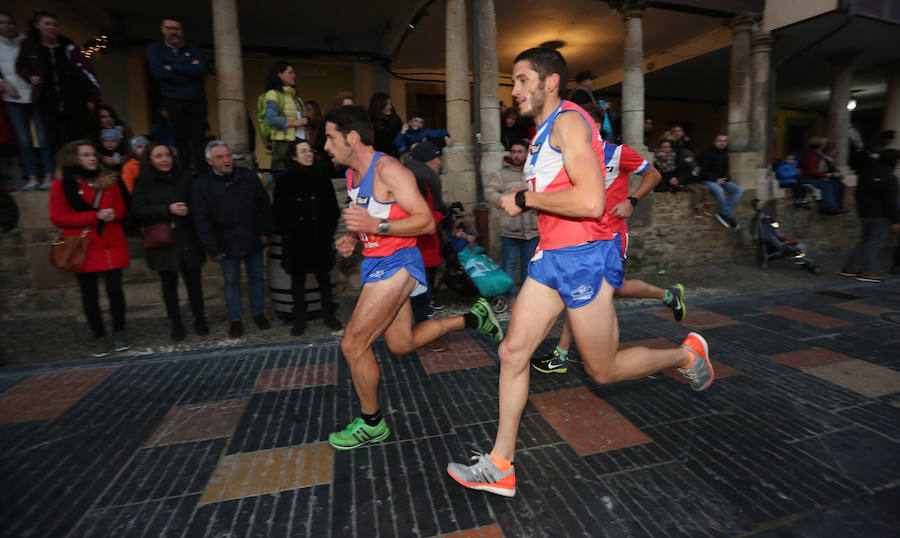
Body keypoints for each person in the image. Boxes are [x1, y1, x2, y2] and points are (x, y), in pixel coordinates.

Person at [446, 48, 712, 497]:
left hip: (583, 257)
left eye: (522, 80)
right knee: (513, 353)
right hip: (551, 256)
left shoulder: (569, 121)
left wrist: (526, 200)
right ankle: (500, 464)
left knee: (603, 371)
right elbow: (561, 190)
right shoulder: (543, 131)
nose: (515, 92)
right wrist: (524, 193)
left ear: (550, 82)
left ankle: (686, 356)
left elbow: (590, 201)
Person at [323, 105, 502, 451]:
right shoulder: (351, 176)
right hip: (376, 262)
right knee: (401, 343)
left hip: (398, 264)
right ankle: (474, 317)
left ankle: (372, 423)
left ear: (352, 137)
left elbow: (424, 221)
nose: (326, 147)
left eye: (330, 138)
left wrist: (375, 227)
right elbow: (373, 221)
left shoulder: (390, 170)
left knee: (353, 344)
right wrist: (354, 239)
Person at [531, 104, 686, 374]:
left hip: (612, 233)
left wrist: (632, 200)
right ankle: (668, 294)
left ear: (593, 124)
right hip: (584, 236)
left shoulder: (617, 152)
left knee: (584, 292)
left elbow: (654, 174)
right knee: (597, 291)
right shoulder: (571, 155)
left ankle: (561, 355)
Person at [48, 140, 131, 357]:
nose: (93, 158)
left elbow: (123, 211)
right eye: (86, 154)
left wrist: (115, 214)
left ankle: (120, 331)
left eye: (93, 154)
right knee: (90, 294)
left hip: (111, 242)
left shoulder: (110, 181)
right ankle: (99, 337)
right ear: (73, 158)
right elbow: (58, 217)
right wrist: (95, 216)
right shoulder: (62, 184)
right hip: (84, 245)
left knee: (115, 291)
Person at [192, 141, 272, 338]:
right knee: (231, 281)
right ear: (209, 161)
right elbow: (201, 219)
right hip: (224, 243)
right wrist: (212, 246)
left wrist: (264, 233)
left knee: (256, 278)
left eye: (228, 155)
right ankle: (235, 320)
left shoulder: (248, 177)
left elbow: (264, 206)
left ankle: (258, 313)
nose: (227, 160)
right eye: (220, 157)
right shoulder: (201, 185)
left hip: (252, 237)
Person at [131, 142, 208, 340]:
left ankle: (200, 319)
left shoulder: (184, 178)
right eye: (158, 156)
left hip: (187, 239)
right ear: (149, 160)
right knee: (168, 286)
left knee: (195, 284)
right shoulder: (142, 182)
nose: (165, 159)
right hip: (162, 241)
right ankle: (176, 324)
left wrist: (187, 208)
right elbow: (138, 211)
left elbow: (198, 203)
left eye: (167, 155)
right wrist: (168, 209)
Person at [272, 139, 342, 336]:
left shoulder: (322, 180)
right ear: (294, 156)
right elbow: (278, 212)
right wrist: (288, 231)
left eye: (309, 150)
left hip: (319, 238)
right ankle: (299, 319)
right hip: (296, 240)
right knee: (297, 281)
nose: (308, 153)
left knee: (324, 278)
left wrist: (326, 231)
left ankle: (329, 314)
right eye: (303, 151)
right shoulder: (284, 182)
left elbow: (332, 210)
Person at [16, 11, 100, 156]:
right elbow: (20, 66)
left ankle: (78, 172)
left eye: (55, 24)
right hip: (47, 101)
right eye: (47, 24)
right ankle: (61, 173)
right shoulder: (30, 45)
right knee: (53, 139)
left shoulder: (68, 46)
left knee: (77, 138)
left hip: (73, 100)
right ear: (37, 26)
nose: (52, 27)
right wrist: (30, 77)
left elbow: (87, 71)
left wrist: (92, 98)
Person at [0, 9, 54, 190]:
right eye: (2, 23)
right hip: (11, 97)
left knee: (44, 137)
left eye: (9, 22)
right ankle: (32, 178)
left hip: (34, 95)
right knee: (24, 139)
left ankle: (49, 176)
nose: (6, 26)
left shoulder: (27, 42)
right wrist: (3, 84)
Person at [147, 17, 207, 174]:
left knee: (199, 136)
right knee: (180, 137)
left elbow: (199, 70)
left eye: (177, 29)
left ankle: (200, 171)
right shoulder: (155, 49)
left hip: (196, 98)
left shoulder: (193, 48)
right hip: (173, 99)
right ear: (162, 29)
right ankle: (185, 172)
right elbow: (159, 73)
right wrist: (187, 70)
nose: (174, 32)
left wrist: (172, 67)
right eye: (169, 28)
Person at [485, 140, 537, 295]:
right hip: (509, 229)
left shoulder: (534, 172)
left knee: (529, 265)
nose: (516, 155)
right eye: (513, 152)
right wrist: (506, 200)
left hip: (532, 229)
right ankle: (511, 297)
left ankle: (526, 297)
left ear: (527, 153)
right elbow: (489, 192)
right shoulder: (501, 174)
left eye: (520, 152)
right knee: (509, 264)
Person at [840, 149, 899, 283]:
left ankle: (850, 267)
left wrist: (863, 209)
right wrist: (895, 220)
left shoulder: (867, 172)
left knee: (865, 241)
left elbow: (858, 193)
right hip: (880, 215)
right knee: (874, 243)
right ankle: (865, 271)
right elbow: (890, 200)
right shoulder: (889, 177)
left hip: (866, 213)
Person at [405, 141, 445, 311]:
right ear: (427, 161)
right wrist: (440, 214)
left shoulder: (423, 180)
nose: (440, 162)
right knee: (420, 302)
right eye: (436, 158)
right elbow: (421, 218)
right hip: (420, 247)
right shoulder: (418, 183)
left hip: (425, 246)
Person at [261, 61, 307, 169]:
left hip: (300, 142)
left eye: (294, 73)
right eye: (290, 73)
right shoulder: (273, 95)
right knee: (284, 175)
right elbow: (270, 120)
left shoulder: (296, 98)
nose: (294, 76)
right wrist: (294, 123)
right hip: (284, 144)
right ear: (279, 74)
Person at [698, 134, 743, 229]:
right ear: (715, 142)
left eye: (724, 141)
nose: (722, 143)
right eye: (720, 141)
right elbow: (703, 171)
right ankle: (729, 216)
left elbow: (726, 170)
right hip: (707, 180)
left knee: (738, 190)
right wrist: (715, 180)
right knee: (719, 191)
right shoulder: (707, 153)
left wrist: (725, 179)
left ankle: (724, 213)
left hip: (721, 180)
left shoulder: (726, 153)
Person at [799, 137, 843, 216]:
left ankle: (834, 207)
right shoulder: (812, 155)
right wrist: (826, 175)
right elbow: (812, 171)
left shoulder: (813, 154)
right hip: (807, 179)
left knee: (831, 184)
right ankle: (828, 208)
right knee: (827, 186)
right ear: (820, 146)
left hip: (810, 177)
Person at [369, 91, 402, 156]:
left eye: (390, 104)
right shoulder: (370, 120)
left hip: (394, 156)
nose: (390, 107)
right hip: (377, 157)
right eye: (387, 104)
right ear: (379, 105)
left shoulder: (395, 118)